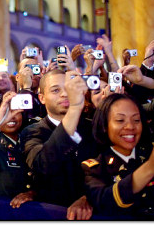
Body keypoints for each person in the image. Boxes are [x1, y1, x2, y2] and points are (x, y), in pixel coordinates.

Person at [82, 94, 154, 220]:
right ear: (104, 126)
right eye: (120, 120)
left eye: (136, 120)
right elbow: (105, 201)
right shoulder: (95, 168)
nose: (130, 126)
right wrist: (149, 168)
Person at [20, 69, 99, 220]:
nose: (64, 94)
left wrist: (87, 197)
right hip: (48, 214)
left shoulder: (93, 128)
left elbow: (105, 172)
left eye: (69, 88)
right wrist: (75, 108)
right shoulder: (32, 131)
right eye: (56, 90)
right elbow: (42, 164)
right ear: (42, 98)